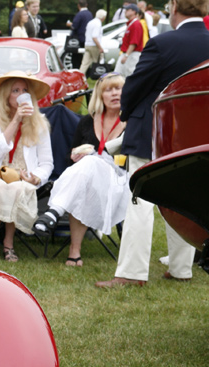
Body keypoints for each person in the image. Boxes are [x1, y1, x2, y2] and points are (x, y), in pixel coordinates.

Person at [96, 0, 209, 288]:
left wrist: (125, 114)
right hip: (197, 135)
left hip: (153, 130)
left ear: (174, 7)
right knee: (185, 199)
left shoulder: (163, 43)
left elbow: (135, 85)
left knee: (140, 201)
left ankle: (132, 273)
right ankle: (182, 268)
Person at [33, 73, 129, 266]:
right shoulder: (86, 122)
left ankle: (54, 212)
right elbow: (73, 156)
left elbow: (132, 160)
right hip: (88, 181)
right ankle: (74, 252)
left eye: (118, 88)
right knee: (83, 181)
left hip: (119, 181)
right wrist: (75, 156)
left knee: (91, 163)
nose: (114, 93)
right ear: (100, 95)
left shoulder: (132, 122)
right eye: (108, 89)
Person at [0, 71, 53, 262]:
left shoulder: (39, 122)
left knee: (17, 187)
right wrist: (16, 120)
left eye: (24, 90)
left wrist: (36, 177)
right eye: (15, 91)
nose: (21, 95)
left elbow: (47, 163)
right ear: (5, 96)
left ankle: (8, 242)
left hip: (23, 176)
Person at [117, 4, 149, 76]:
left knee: (128, 75)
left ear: (134, 12)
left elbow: (134, 42)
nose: (125, 11)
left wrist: (126, 55)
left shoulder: (136, 24)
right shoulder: (132, 23)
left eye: (128, 10)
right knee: (119, 75)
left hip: (132, 54)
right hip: (128, 53)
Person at [80, 9, 107, 77]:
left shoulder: (90, 22)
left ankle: (80, 76)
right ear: (103, 17)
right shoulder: (98, 24)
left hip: (87, 44)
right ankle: (96, 77)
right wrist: (100, 47)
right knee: (96, 63)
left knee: (85, 63)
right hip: (94, 45)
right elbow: (94, 37)